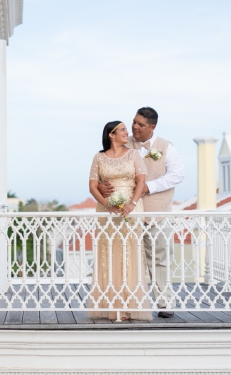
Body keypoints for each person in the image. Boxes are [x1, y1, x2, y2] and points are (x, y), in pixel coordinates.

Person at [99, 107, 184, 318]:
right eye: (134, 122)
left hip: (156, 211)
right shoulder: (122, 143)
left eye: (141, 125)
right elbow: (105, 168)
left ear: (152, 127)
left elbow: (177, 175)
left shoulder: (166, 147)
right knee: (127, 259)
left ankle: (165, 303)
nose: (135, 127)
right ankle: (128, 304)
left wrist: (150, 187)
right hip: (127, 214)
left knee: (160, 257)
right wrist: (101, 185)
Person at [87, 120, 153, 322]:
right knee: (109, 253)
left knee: (129, 253)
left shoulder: (133, 154)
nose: (127, 132)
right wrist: (107, 204)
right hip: (107, 211)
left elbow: (141, 180)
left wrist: (132, 203)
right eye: (123, 130)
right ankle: (111, 307)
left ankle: (129, 305)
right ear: (111, 135)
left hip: (131, 209)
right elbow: (92, 186)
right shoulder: (98, 157)